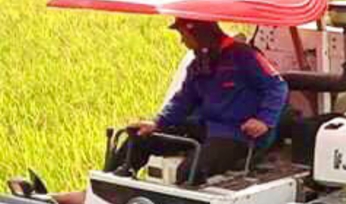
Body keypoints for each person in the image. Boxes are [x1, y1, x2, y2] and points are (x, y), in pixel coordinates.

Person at [108, 18, 289, 185]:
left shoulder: (245, 56)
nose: (182, 41)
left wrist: (264, 120)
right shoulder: (198, 65)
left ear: (199, 33)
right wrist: (157, 123)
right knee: (138, 139)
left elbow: (277, 87)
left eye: (184, 35)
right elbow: (183, 100)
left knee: (189, 171)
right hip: (203, 127)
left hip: (236, 134)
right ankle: (106, 190)